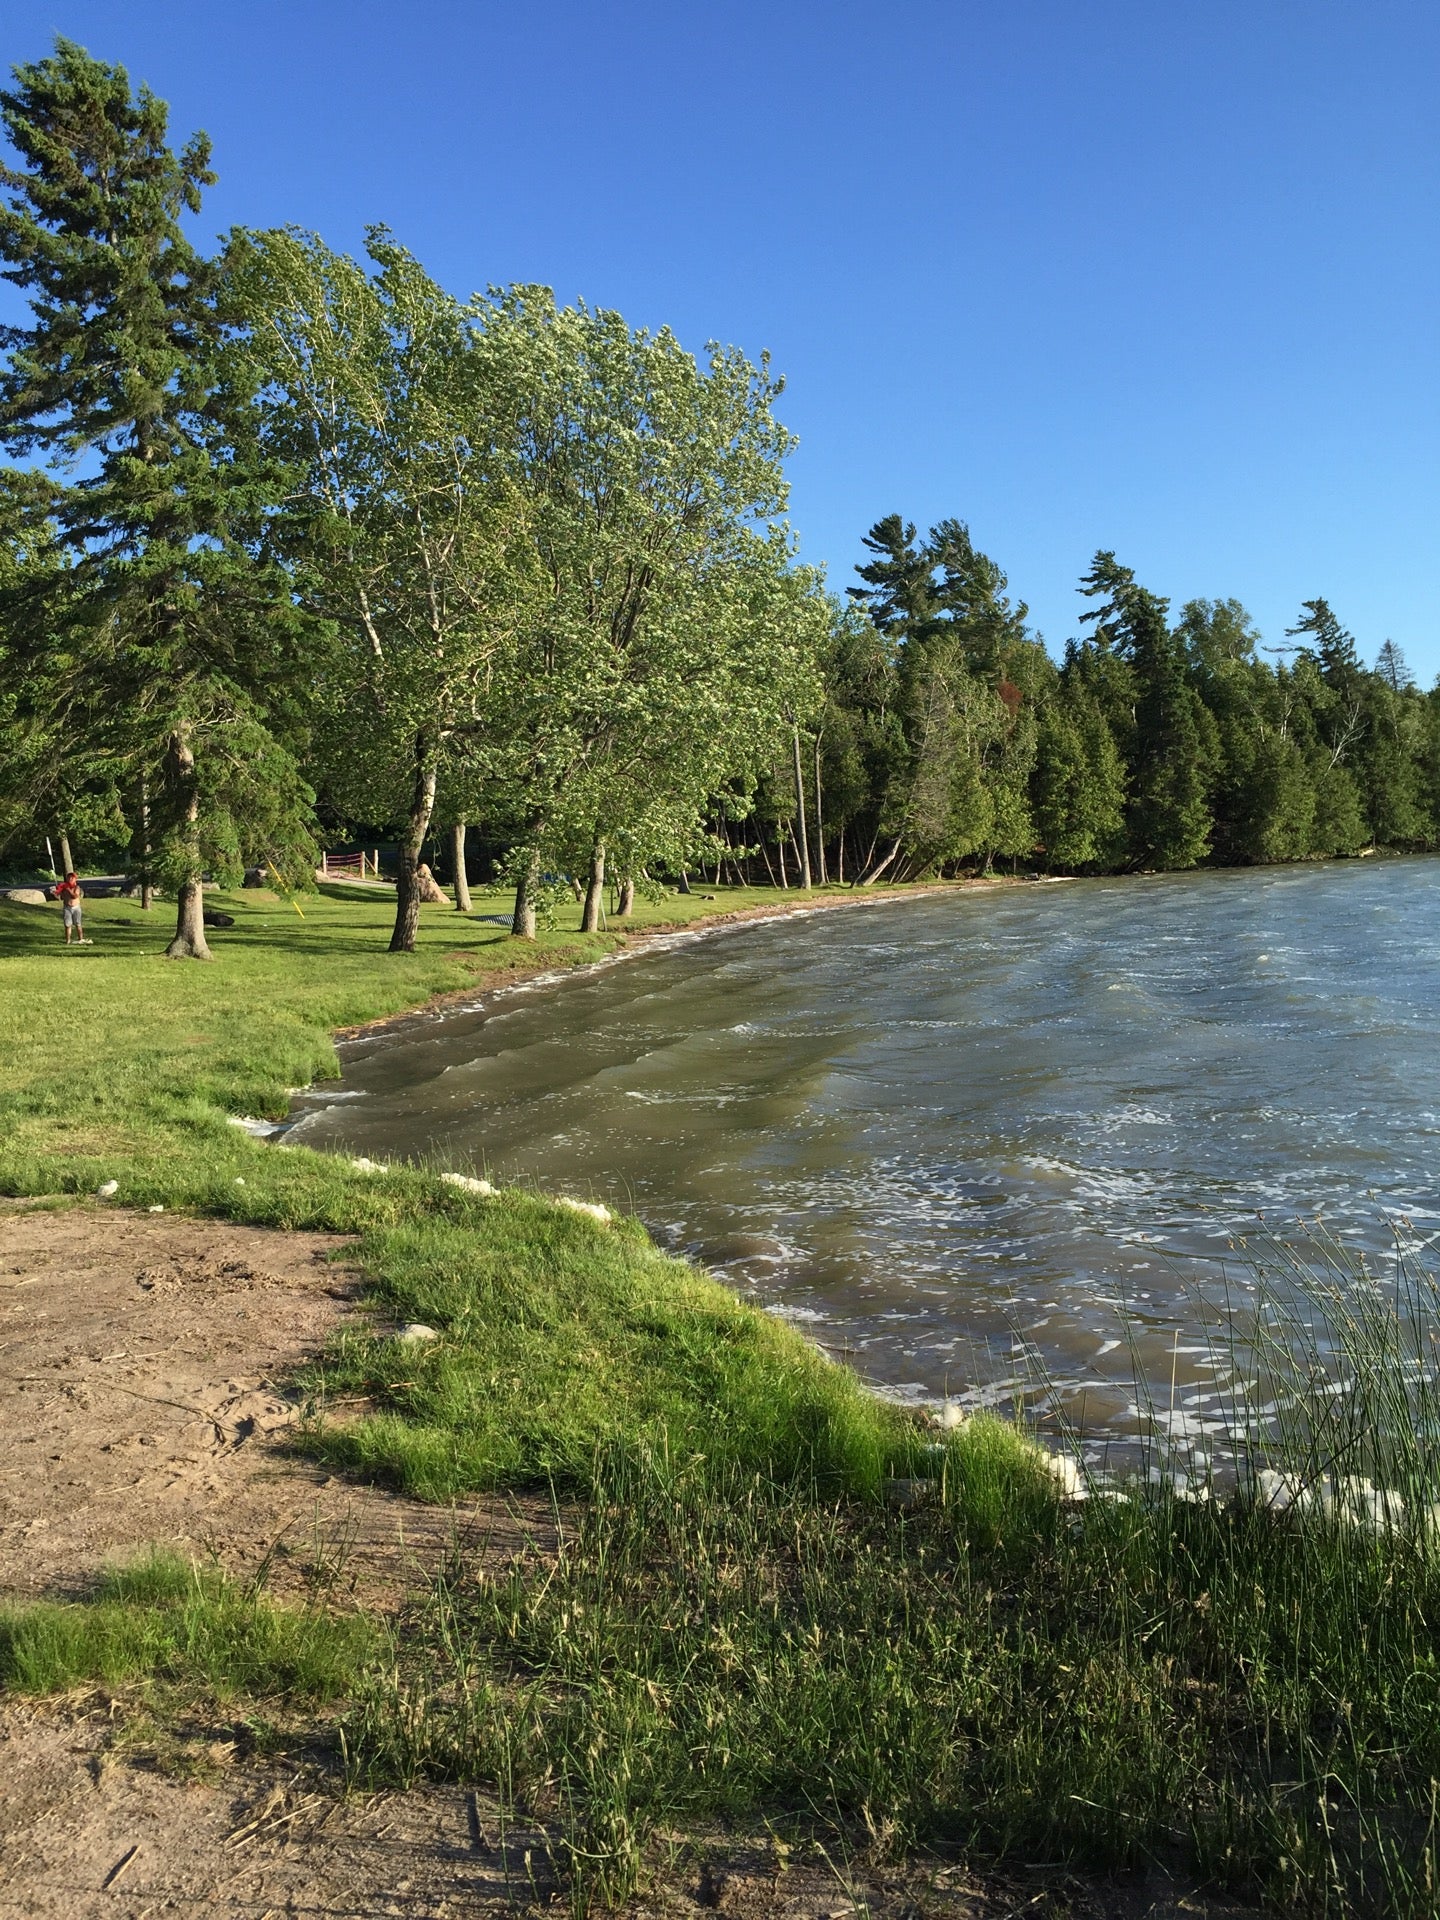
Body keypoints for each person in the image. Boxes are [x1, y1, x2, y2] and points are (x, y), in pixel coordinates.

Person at [54, 871, 88, 945]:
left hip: (76, 908)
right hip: (67, 908)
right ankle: (68, 941)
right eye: (69, 877)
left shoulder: (77, 887)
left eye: (72, 877)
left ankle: (81, 939)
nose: (70, 878)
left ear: (75, 879)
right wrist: (57, 892)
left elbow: (75, 896)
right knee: (67, 924)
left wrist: (68, 889)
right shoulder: (64, 887)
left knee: (78, 923)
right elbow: (58, 896)